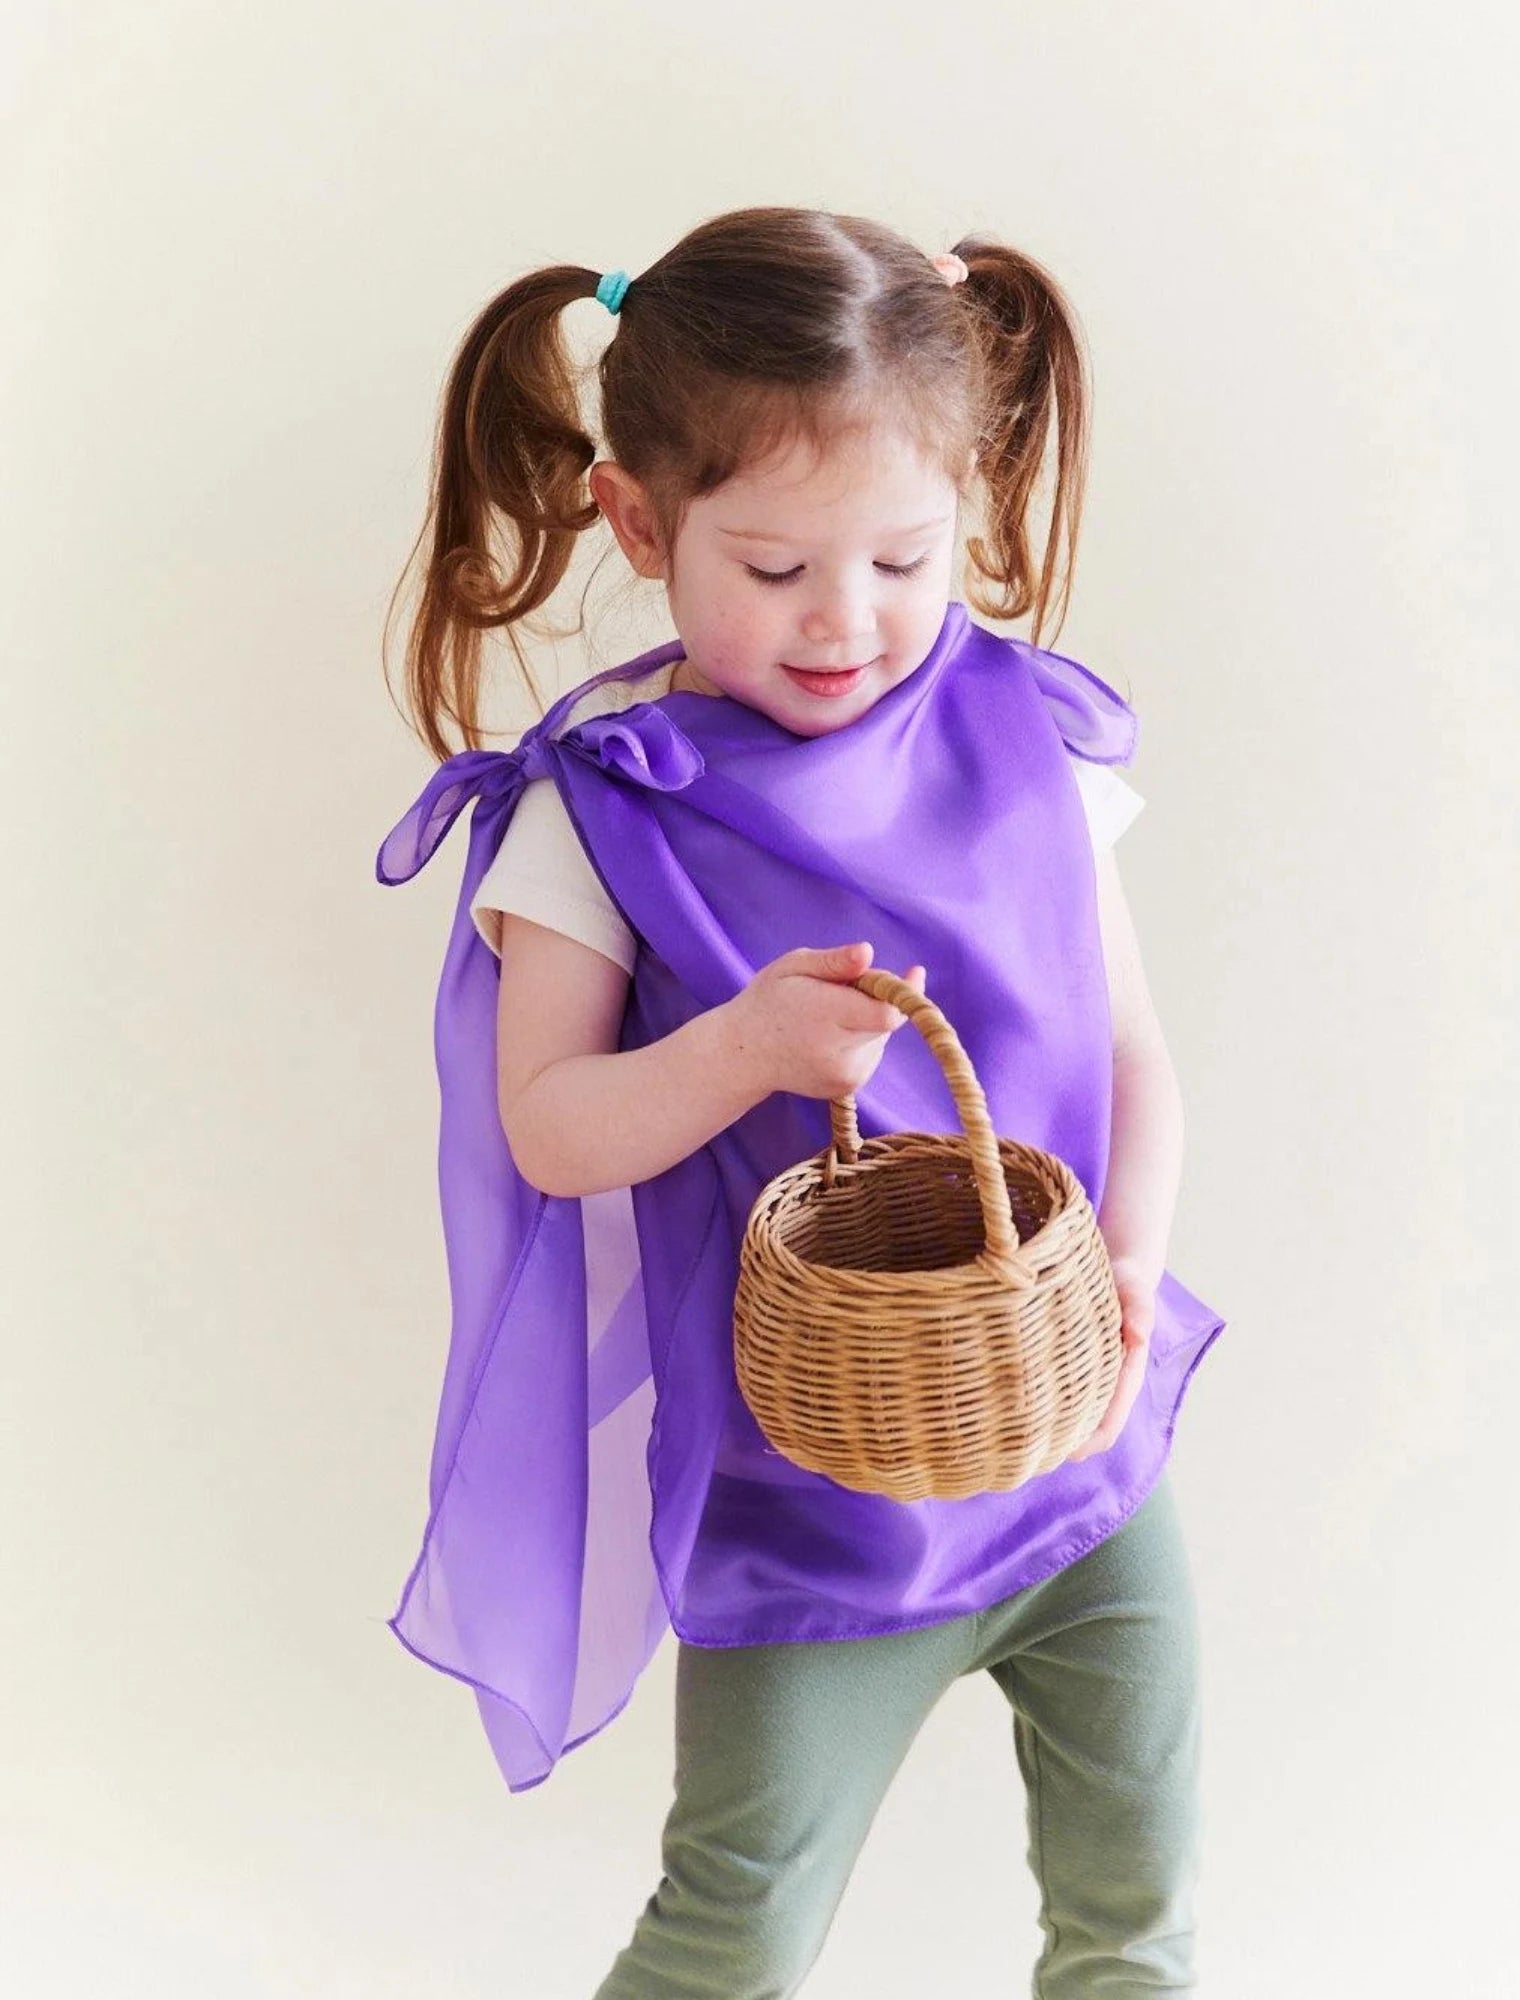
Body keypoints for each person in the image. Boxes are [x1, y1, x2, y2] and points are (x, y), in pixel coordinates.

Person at [376, 205, 1226, 1997]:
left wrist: (1132, 1273)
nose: (848, 623)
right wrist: (741, 1050)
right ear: (634, 521)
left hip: (1081, 1467)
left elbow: (1133, 1049)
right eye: (771, 573)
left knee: (1133, 1920)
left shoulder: (1022, 737)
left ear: (969, 507)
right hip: (804, 1497)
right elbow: (549, 1125)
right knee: (733, 1932)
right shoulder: (603, 814)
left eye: (906, 562)